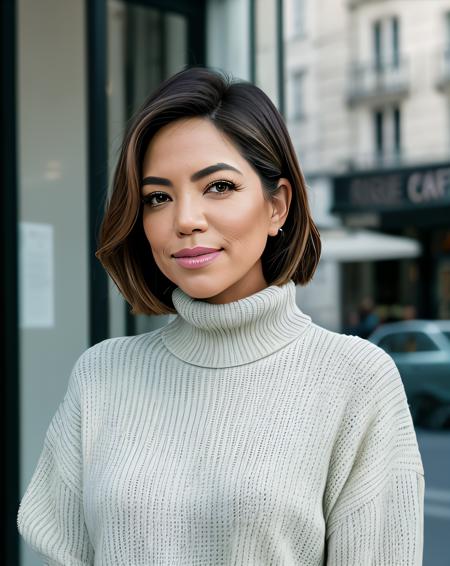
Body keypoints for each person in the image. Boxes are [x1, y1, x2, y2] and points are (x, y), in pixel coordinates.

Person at [17, 66, 425, 565]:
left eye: (218, 187)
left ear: (277, 206)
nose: (185, 219)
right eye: (158, 197)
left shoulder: (356, 378)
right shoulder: (102, 374)